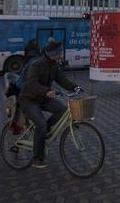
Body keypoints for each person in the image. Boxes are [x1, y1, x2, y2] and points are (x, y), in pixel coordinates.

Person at [19, 38, 80, 168]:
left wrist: (74, 87)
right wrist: (46, 91)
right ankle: (36, 158)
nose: (61, 55)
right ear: (52, 54)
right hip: (28, 99)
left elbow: (61, 79)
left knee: (62, 110)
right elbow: (31, 83)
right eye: (59, 54)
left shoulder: (54, 66)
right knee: (40, 123)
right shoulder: (36, 64)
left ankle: (45, 130)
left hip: (42, 98)